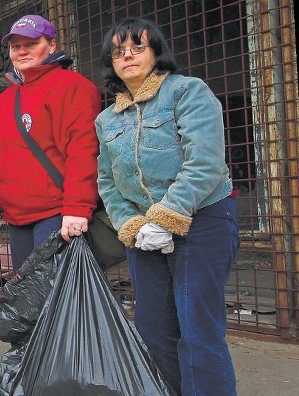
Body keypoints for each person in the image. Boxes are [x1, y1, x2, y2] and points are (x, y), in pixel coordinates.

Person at [95, 18, 239, 395]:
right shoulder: (106, 119)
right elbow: (108, 182)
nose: (127, 56)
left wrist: (165, 217)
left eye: (137, 47)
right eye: (118, 51)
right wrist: (131, 223)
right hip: (144, 234)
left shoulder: (186, 92)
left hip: (202, 219)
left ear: (156, 51)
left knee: (198, 331)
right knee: (153, 331)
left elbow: (205, 162)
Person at [0, 14, 101, 272]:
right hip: (16, 219)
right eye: (15, 46)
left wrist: (77, 208)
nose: (22, 51)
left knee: (57, 300)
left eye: (31, 44)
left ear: (52, 45)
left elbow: (83, 151)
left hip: (56, 213)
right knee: (30, 302)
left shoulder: (72, 86)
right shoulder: (4, 100)